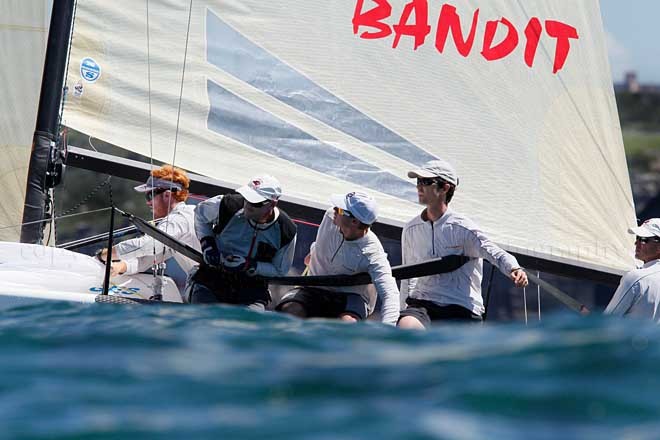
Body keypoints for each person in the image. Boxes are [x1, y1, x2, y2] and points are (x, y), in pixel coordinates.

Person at [398, 159, 528, 329]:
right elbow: (408, 277)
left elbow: (494, 252)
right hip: (423, 304)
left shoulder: (463, 228)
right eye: (418, 181)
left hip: (461, 307)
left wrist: (514, 269)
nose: (419, 187)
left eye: (426, 182)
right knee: (406, 326)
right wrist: (401, 313)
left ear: (445, 188)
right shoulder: (410, 229)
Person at [277, 191, 400, 326]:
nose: (334, 209)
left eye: (340, 209)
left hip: (351, 298)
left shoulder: (373, 253)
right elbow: (320, 244)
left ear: (354, 221)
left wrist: (388, 330)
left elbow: (390, 294)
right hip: (313, 288)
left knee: (347, 323)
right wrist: (314, 253)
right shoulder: (330, 215)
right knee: (290, 311)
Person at [187, 175, 296, 310]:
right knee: (205, 317)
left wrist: (249, 265)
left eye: (255, 203)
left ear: (272, 204)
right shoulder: (226, 204)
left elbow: (279, 270)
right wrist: (207, 244)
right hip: (210, 279)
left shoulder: (287, 230)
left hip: (251, 291)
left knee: (248, 327)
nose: (248, 206)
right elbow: (200, 214)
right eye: (246, 198)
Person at [97, 165, 200, 299]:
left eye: (150, 195)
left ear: (167, 195)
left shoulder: (179, 219)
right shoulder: (184, 220)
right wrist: (121, 266)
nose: (148, 203)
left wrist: (104, 255)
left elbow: (146, 245)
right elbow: (148, 258)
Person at [604, 218, 660, 321]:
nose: (636, 243)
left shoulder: (636, 277)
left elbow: (607, 322)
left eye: (644, 239)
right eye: (637, 238)